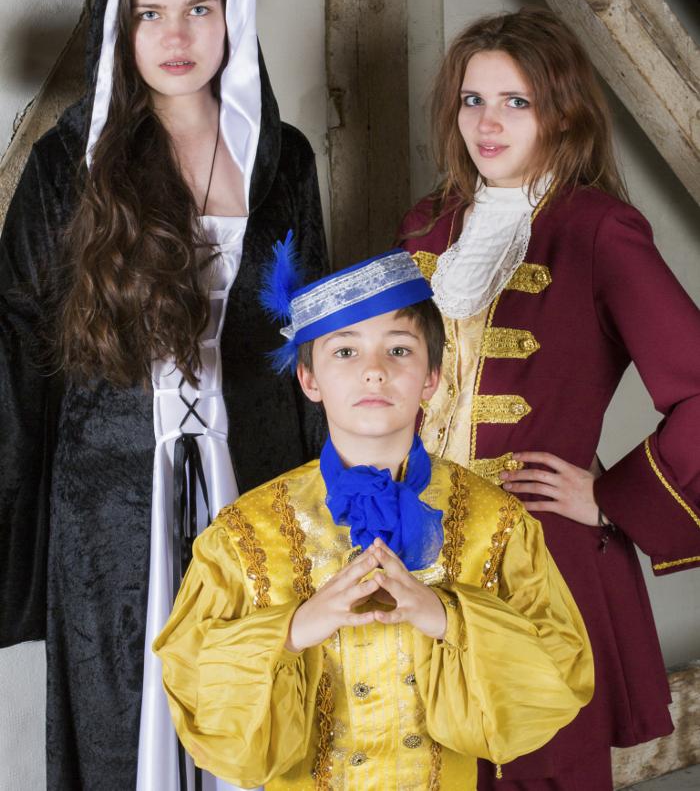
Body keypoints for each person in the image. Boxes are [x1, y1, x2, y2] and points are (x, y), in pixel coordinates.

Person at [0, 0, 327, 791]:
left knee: (254, 687)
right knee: (126, 709)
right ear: (123, 28)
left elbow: (312, 342)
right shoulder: (69, 164)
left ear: (232, 18)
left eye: (197, 10)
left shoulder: (284, 161)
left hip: (254, 475)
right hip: (110, 496)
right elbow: (18, 338)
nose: (176, 37)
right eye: (150, 14)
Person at [154, 243, 594, 791]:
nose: (374, 372)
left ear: (432, 377)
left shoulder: (496, 522)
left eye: (399, 350)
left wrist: (449, 618)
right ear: (309, 379)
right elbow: (194, 686)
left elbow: (560, 668)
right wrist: (292, 629)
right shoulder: (245, 534)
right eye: (345, 351)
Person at [396, 7, 700, 791]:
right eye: (473, 100)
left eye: (516, 101)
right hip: (413, 550)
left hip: (540, 561)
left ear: (561, 113)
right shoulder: (428, 226)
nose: (487, 123)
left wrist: (611, 497)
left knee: (538, 771)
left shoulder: (599, 229)